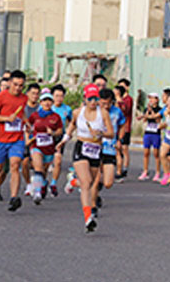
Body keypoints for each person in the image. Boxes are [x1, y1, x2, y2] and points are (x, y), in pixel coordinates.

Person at [59, 83, 114, 233]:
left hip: (96, 150)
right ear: (84, 98)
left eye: (95, 98)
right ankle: (88, 218)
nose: (93, 102)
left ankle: (72, 181)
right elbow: (71, 128)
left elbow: (111, 133)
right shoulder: (78, 112)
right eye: (90, 99)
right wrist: (63, 141)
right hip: (81, 147)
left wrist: (101, 133)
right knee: (86, 182)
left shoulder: (103, 113)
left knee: (89, 184)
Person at [0, 70, 28, 211]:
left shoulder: (24, 98)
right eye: (15, 84)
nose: (17, 88)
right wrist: (6, 119)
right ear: (9, 83)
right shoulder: (1, 97)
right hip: (1, 139)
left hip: (17, 139)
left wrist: (27, 122)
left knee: (15, 165)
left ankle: (14, 197)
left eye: (21, 85)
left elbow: (22, 112)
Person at [90, 88, 125, 217]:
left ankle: (97, 190)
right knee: (95, 177)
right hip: (95, 148)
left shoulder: (117, 112)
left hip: (110, 149)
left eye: (108, 103)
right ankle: (93, 207)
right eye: (102, 103)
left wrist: (120, 139)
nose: (105, 106)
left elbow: (122, 125)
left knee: (108, 182)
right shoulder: (93, 112)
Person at [26, 89, 63, 205]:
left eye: (49, 101)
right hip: (36, 145)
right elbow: (27, 127)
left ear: (52, 103)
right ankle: (37, 193)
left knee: (44, 170)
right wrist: (28, 138)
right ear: (40, 103)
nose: (47, 103)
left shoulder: (56, 117)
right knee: (38, 168)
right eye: (44, 101)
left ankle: (43, 184)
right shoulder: (35, 115)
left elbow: (60, 131)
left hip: (49, 147)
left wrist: (52, 133)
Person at [49, 84, 73, 197]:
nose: (59, 98)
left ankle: (53, 183)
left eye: (61, 96)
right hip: (46, 138)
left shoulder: (67, 109)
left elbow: (72, 123)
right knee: (45, 163)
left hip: (59, 137)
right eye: (56, 96)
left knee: (57, 161)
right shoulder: (46, 107)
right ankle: (42, 182)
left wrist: (69, 133)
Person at [138, 93, 162, 181]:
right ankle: (145, 171)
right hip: (148, 132)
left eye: (153, 98)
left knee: (156, 153)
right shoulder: (146, 109)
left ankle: (158, 172)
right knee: (146, 153)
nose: (151, 100)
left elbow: (158, 120)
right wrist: (147, 111)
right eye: (150, 98)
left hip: (156, 133)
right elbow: (144, 120)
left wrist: (152, 111)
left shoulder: (160, 109)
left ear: (157, 99)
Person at [22, 83, 41, 197]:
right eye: (33, 93)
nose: (35, 96)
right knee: (24, 163)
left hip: (39, 141)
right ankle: (29, 183)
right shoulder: (23, 107)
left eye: (37, 93)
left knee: (39, 166)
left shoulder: (41, 108)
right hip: (25, 139)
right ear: (27, 93)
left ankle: (39, 183)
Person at [115, 79, 133, 181]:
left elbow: (125, 111)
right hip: (117, 128)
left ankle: (124, 169)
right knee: (118, 150)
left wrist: (119, 101)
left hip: (125, 128)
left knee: (124, 149)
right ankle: (119, 169)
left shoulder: (128, 99)